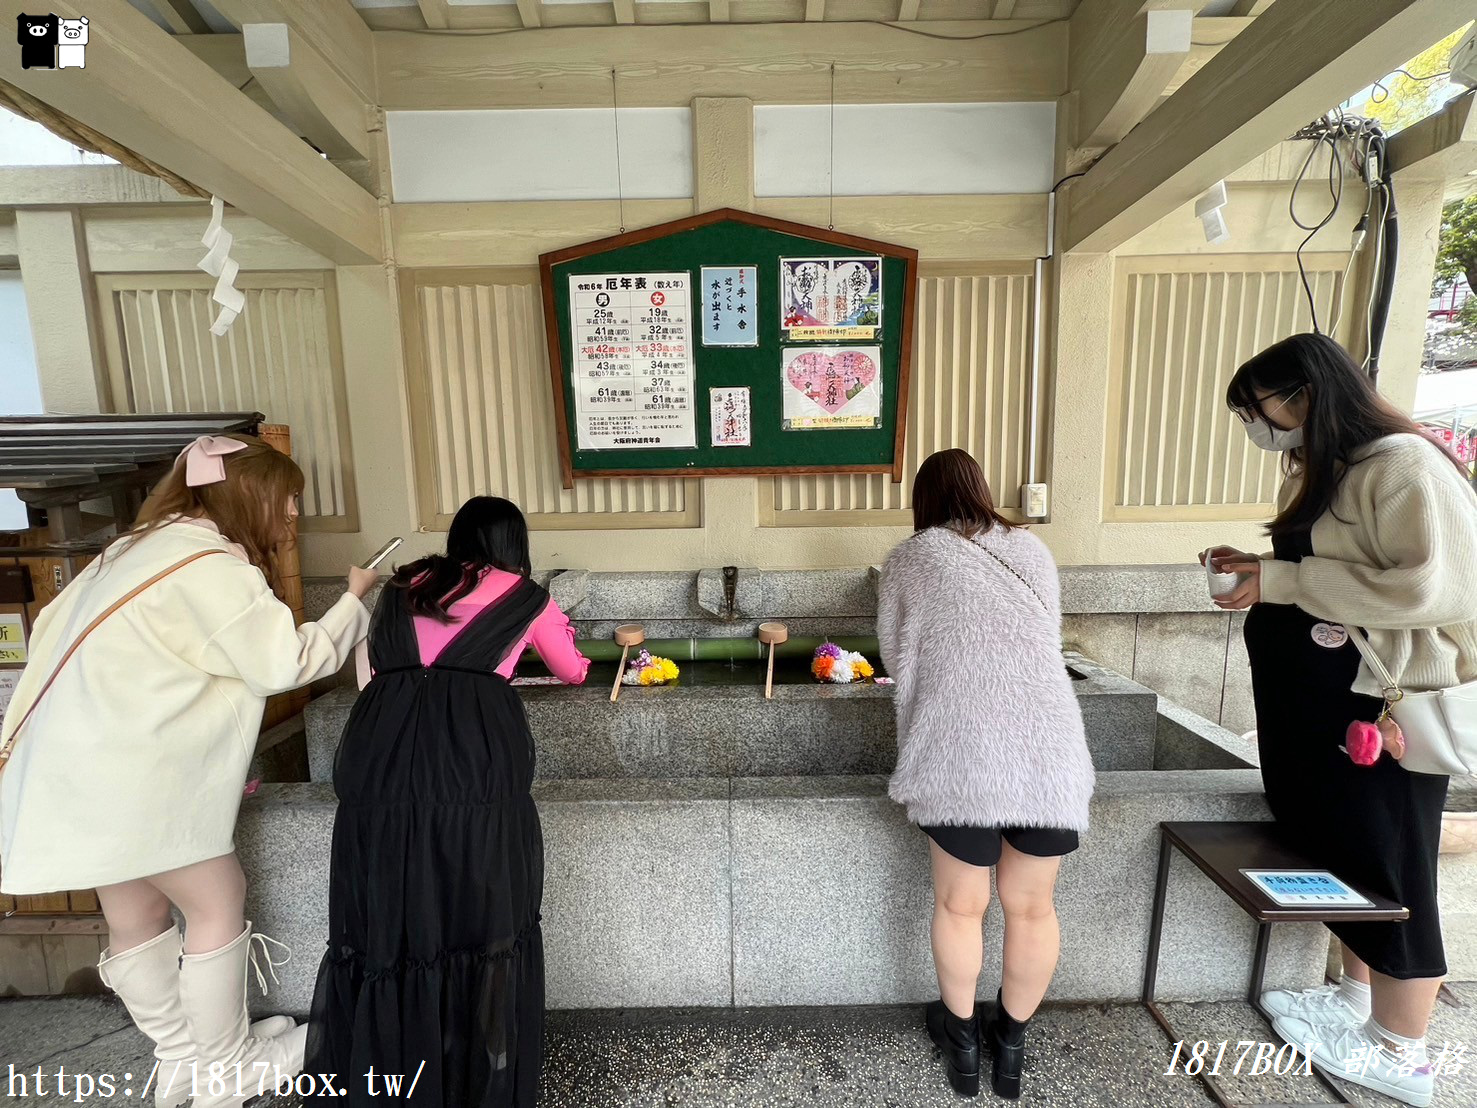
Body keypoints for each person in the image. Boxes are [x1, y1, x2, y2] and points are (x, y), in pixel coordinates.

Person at [0, 435, 376, 1108]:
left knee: (136, 912)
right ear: (250, 494)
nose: (291, 516)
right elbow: (284, 662)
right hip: (138, 777)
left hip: (74, 772)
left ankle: (180, 1059)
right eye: (287, 500)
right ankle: (227, 1068)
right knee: (216, 899)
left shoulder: (130, 550)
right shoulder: (210, 567)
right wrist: (353, 600)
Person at [1205, 332, 1477, 1108]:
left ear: (1307, 394)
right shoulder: (1341, 468)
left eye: (1257, 410)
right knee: (1348, 852)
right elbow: (1327, 573)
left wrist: (1284, 580)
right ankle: (1355, 1003)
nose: (1257, 428)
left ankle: (1402, 1051)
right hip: (1323, 709)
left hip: (1375, 707)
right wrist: (1265, 573)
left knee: (1391, 865)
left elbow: (1440, 588)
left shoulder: (1404, 467)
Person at [305, 495, 590, 1108]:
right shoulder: (524, 594)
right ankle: (467, 1067)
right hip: (472, 764)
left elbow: (371, 673)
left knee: (395, 910)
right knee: (477, 907)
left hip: (380, 757)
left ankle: (391, 1067)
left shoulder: (404, 585)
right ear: (514, 545)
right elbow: (571, 669)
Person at [877, 449, 1095, 1101]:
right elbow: (1044, 635)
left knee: (959, 904)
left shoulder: (911, 558)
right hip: (1046, 747)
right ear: (979, 489)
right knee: (1031, 907)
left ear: (924, 500)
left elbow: (895, 654)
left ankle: (963, 1047)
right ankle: (1011, 1049)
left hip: (958, 749)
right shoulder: (1032, 551)